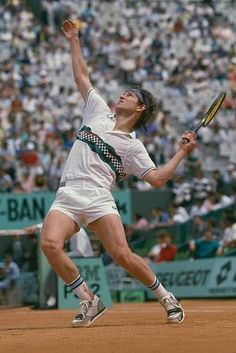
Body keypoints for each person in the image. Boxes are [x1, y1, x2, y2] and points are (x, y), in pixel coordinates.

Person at [40, 19, 196, 328]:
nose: (121, 96)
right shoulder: (97, 110)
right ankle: (89, 300)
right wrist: (74, 40)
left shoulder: (133, 147)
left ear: (139, 109)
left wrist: (181, 152)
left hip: (99, 198)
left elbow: (156, 179)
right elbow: (82, 76)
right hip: (69, 192)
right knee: (49, 244)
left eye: (129, 95)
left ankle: (166, 297)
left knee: (122, 254)